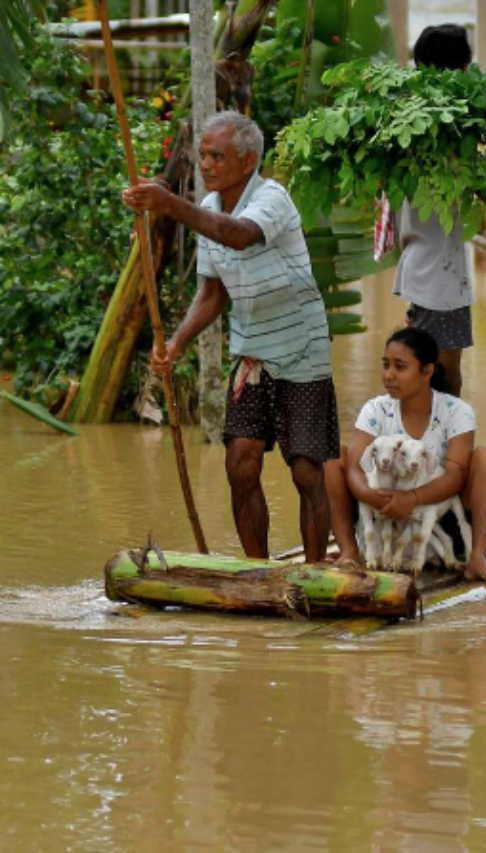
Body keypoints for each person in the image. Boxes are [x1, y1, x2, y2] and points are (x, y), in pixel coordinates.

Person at [122, 111, 340, 563]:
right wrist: (176, 344)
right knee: (240, 462)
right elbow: (213, 293)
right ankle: (258, 571)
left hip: (301, 347)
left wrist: (170, 204)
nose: (205, 164)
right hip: (252, 351)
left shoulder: (271, 198)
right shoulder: (212, 210)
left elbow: (240, 237)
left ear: (248, 161)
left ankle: (316, 570)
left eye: (216, 155)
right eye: (202, 155)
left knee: (305, 469)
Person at [325, 326, 486, 583]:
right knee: (333, 457)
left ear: (427, 371)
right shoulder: (375, 410)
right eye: (385, 365)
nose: (389, 375)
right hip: (383, 523)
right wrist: (376, 499)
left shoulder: (456, 411)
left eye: (400, 367)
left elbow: (456, 474)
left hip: (439, 525)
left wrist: (411, 499)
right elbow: (354, 468)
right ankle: (350, 551)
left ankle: (477, 558)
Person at [393, 24, 475, 397]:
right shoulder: (448, 127)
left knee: (435, 375)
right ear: (460, 70)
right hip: (437, 274)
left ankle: (439, 450)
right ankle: (443, 452)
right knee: (443, 377)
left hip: (428, 267)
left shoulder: (410, 121)